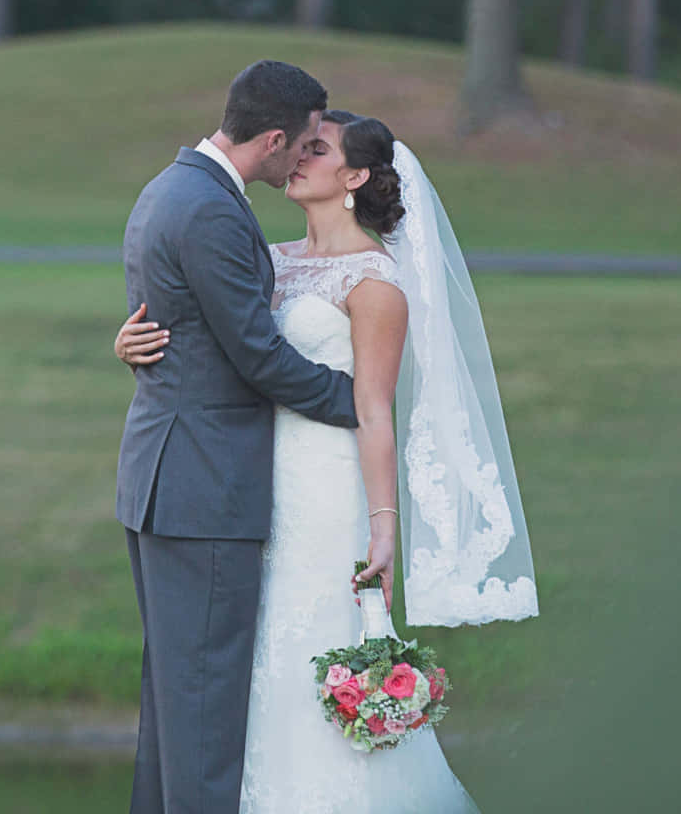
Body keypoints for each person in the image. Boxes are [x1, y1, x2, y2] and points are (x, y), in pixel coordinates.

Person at [116, 106, 539, 813]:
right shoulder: (267, 256)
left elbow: (374, 409)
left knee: (312, 639)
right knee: (246, 667)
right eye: (301, 145)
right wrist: (126, 347)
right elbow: (215, 337)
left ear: (355, 176)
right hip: (248, 481)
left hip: (326, 491)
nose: (299, 157)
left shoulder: (375, 283)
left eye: (318, 149)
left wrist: (382, 524)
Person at [114, 61, 363, 814]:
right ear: (277, 138)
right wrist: (363, 402)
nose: (307, 160)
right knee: (203, 715)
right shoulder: (213, 210)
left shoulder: (171, 185)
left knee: (176, 711)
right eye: (308, 144)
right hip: (204, 487)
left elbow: (179, 332)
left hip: (168, 480)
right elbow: (255, 354)